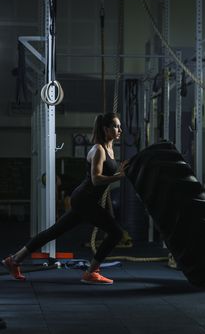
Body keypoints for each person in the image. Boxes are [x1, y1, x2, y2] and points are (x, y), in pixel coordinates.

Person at [2, 112, 126, 285]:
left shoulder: (110, 149)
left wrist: (119, 171)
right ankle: (91, 272)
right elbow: (96, 179)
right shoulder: (98, 149)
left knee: (54, 232)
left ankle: (14, 260)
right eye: (115, 126)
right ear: (106, 129)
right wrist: (119, 176)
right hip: (84, 199)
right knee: (116, 232)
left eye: (119, 126)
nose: (120, 129)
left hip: (87, 200)